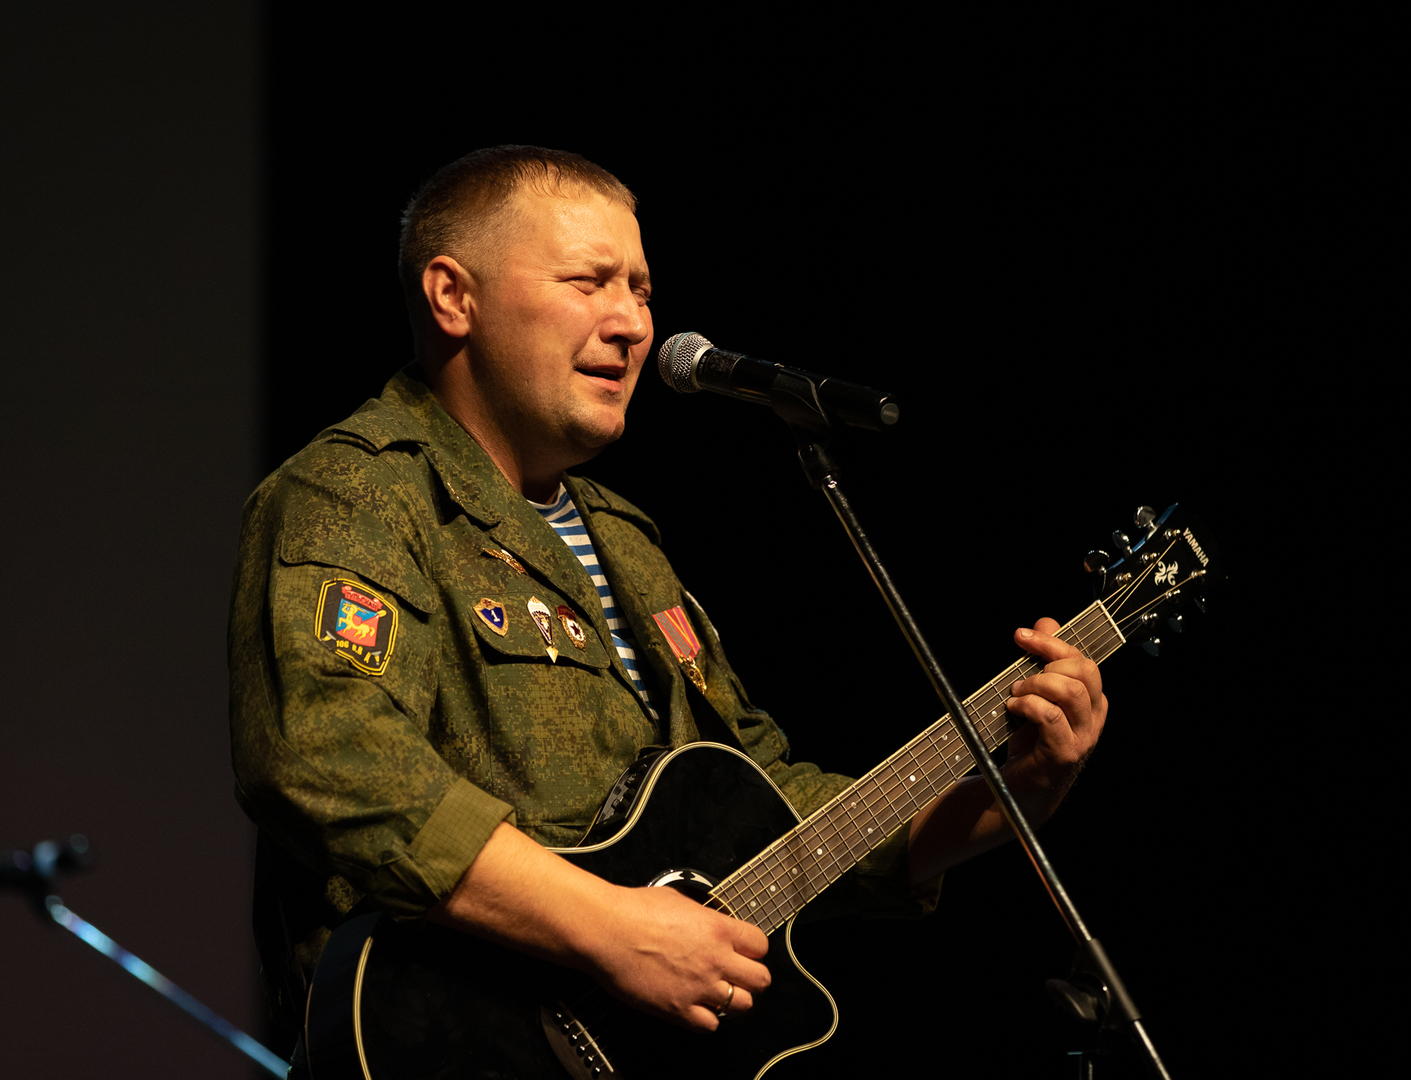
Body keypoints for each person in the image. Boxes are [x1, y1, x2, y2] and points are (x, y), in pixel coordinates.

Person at [229, 145, 1106, 1064]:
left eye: (642, 291)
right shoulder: (356, 496)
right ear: (454, 297)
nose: (632, 324)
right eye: (588, 282)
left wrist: (1011, 795)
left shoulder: (627, 540)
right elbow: (329, 761)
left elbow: (772, 808)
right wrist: (609, 929)